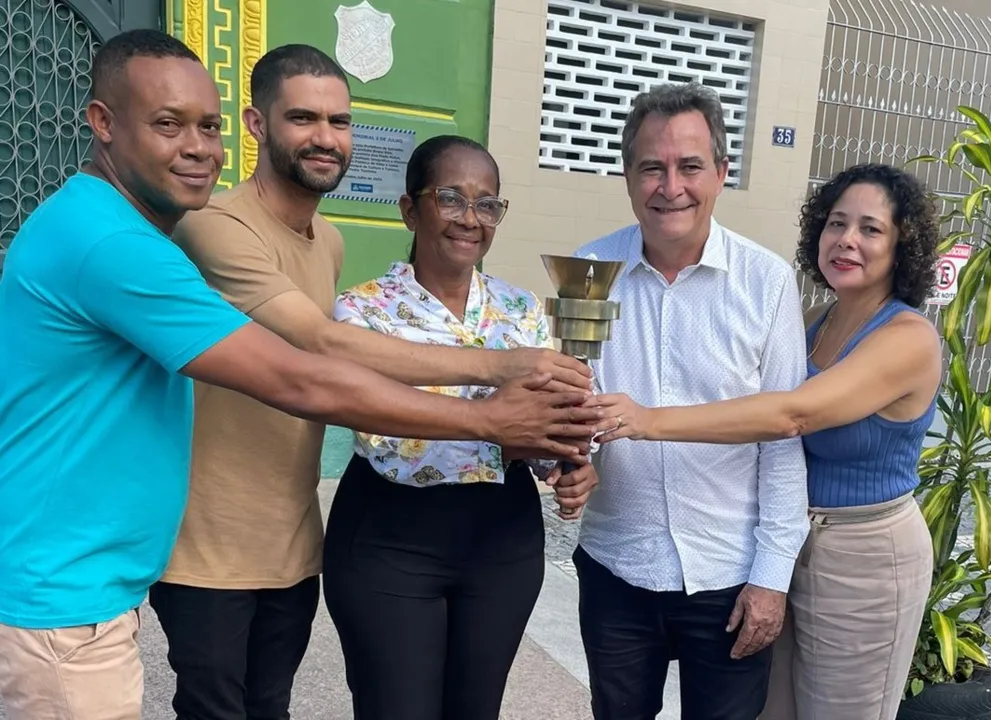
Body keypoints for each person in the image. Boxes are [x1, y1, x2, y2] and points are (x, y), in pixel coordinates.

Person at [0, 31, 599, 720]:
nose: (197, 148)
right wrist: (491, 407)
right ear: (103, 123)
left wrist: (556, 445)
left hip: (256, 548)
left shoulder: (317, 241)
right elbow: (309, 367)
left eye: (206, 127)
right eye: (168, 125)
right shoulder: (146, 239)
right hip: (102, 581)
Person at [589, 163, 942, 720]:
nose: (846, 240)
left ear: (904, 246)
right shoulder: (816, 321)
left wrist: (647, 420)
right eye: (835, 223)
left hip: (864, 553)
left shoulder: (908, 338)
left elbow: (790, 416)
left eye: (870, 229)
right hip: (789, 541)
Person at [320, 134, 598, 720]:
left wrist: (567, 462)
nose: (470, 218)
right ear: (409, 209)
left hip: (501, 539)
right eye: (451, 198)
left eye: (487, 203)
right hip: (390, 535)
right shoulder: (362, 311)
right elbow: (379, 422)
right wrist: (499, 424)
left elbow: (546, 427)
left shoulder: (522, 311)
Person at [568, 82, 810, 720]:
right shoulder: (590, 273)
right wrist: (563, 458)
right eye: (651, 167)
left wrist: (772, 577)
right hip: (617, 563)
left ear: (722, 174)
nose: (670, 185)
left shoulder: (767, 282)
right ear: (627, 176)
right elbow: (574, 408)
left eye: (689, 166)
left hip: (730, 573)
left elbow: (784, 437)